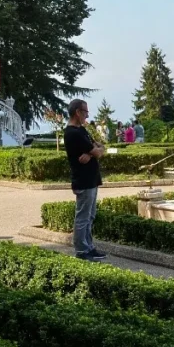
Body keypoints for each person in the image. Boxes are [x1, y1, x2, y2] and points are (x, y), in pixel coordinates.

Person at [63, 99, 106, 261]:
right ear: (77, 112)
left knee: (90, 215)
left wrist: (91, 152)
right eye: (85, 112)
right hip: (83, 180)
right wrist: (94, 151)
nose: (87, 115)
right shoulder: (73, 133)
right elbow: (99, 151)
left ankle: (89, 246)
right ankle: (81, 250)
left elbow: (100, 148)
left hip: (92, 179)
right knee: (82, 217)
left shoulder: (83, 131)